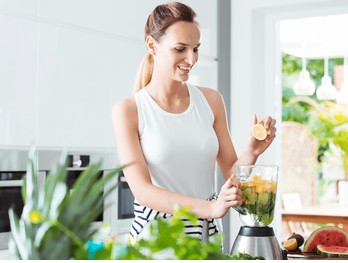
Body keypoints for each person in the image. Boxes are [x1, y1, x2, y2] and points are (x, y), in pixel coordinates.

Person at [111, 1, 276, 243]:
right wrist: (210, 209)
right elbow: (143, 192)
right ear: (152, 45)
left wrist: (251, 152)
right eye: (180, 49)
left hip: (206, 236)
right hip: (155, 239)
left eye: (196, 49)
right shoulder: (129, 110)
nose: (191, 59)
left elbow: (231, 171)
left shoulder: (210, 100)